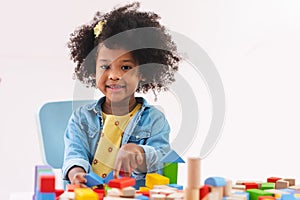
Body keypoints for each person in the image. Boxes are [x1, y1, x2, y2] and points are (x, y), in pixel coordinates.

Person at [62, 2, 180, 188]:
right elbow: (74, 154)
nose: (114, 75)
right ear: (93, 70)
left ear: (143, 72)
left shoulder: (154, 120)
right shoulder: (81, 119)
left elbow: (161, 159)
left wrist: (140, 153)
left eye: (125, 67)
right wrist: (76, 173)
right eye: (105, 66)